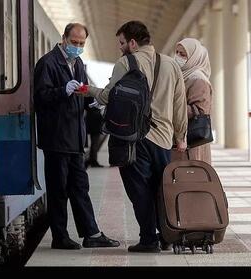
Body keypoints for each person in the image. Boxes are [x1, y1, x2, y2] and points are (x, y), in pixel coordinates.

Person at [77, 21, 188, 252]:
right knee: (161, 189)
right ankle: (166, 235)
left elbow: (107, 96)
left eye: (121, 42)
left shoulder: (126, 62)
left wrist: (88, 90)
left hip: (134, 139)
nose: (120, 47)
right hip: (163, 139)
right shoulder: (171, 64)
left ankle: (148, 239)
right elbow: (180, 105)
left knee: (140, 191)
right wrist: (181, 137)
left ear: (133, 42)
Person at [34, 23, 120, 250]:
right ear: (64, 38)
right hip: (56, 138)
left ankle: (91, 233)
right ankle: (59, 237)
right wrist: (62, 91)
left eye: (82, 44)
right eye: (74, 43)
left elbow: (80, 92)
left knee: (80, 187)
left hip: (74, 138)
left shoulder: (78, 63)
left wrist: (90, 102)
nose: (78, 47)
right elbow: (40, 97)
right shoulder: (48, 63)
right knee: (58, 190)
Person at [172, 38, 212, 164]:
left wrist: (171, 107)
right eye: (177, 52)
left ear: (195, 57)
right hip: (181, 137)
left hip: (192, 140)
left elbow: (200, 110)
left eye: (182, 54)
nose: (177, 57)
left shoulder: (197, 79)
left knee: (190, 177)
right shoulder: (182, 76)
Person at [84, 98, 107, 168]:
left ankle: (91, 159)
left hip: (92, 123)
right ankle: (92, 160)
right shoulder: (92, 98)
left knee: (95, 143)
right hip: (95, 123)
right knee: (95, 143)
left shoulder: (89, 98)